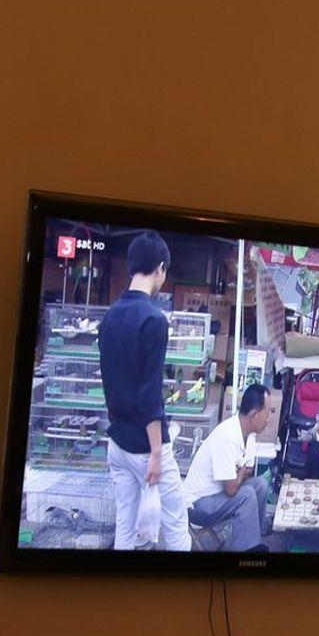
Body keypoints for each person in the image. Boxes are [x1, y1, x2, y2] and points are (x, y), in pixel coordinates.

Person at [98, 230, 190, 550]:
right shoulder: (154, 319)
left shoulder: (109, 316)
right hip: (145, 445)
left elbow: (111, 382)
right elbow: (150, 395)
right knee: (176, 521)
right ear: (160, 268)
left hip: (117, 442)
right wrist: (155, 454)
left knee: (125, 524)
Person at [184, 383, 276, 551]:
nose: (269, 418)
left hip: (218, 495)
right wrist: (240, 474)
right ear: (255, 414)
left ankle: (257, 534)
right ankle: (247, 549)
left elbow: (247, 472)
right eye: (267, 412)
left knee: (261, 484)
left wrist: (239, 474)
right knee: (247, 494)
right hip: (198, 504)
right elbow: (232, 489)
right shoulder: (227, 436)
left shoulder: (249, 435)